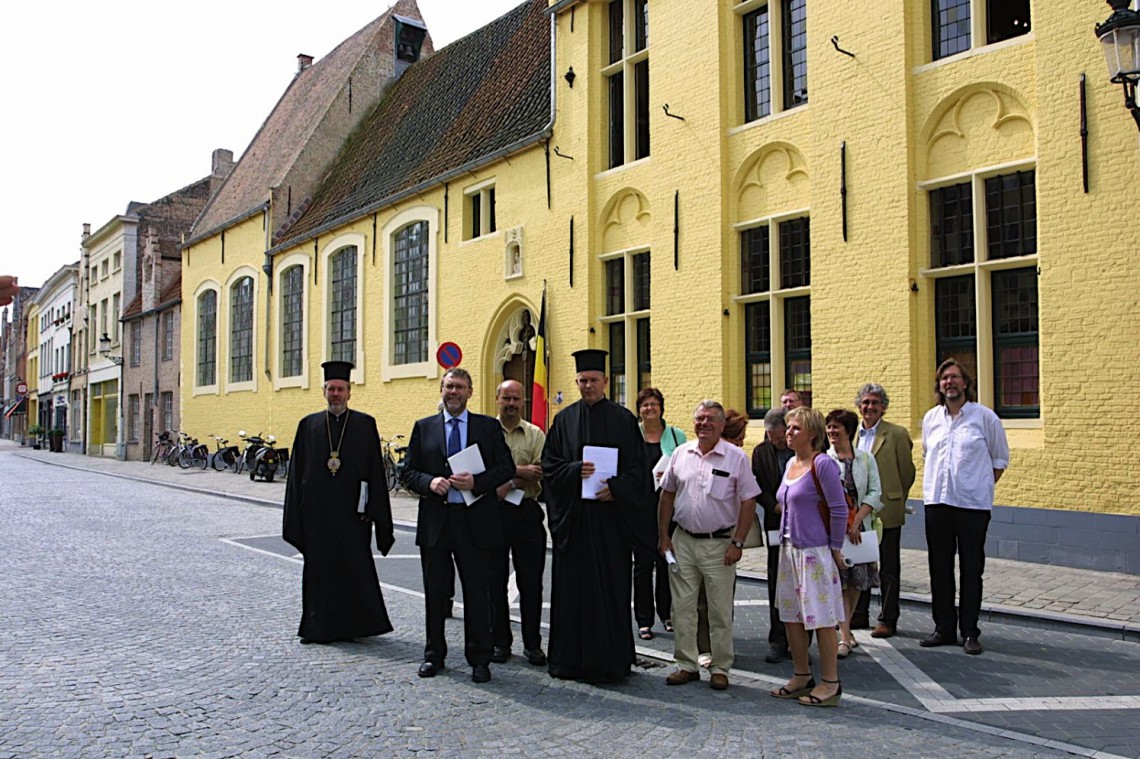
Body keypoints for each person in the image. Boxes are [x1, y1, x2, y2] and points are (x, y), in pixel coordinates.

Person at [541, 348, 649, 683]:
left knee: (611, 591)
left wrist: (616, 488)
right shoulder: (563, 420)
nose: (588, 386)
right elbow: (549, 467)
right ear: (576, 382)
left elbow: (639, 470)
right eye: (582, 381)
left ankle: (611, 663)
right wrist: (574, 470)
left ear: (606, 381)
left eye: (593, 380)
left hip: (609, 524)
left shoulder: (623, 420)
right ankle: (568, 662)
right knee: (572, 594)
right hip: (575, 523)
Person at [402, 368, 515, 683]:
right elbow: (408, 472)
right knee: (435, 593)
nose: (454, 392)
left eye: (460, 387)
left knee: (477, 593)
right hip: (437, 522)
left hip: (473, 521)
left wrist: (476, 482)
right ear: (441, 389)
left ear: (470, 392)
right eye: (449, 386)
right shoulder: (424, 428)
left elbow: (506, 467)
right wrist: (430, 481)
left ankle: (480, 659)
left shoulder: (487, 427)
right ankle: (433, 655)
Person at [282, 360, 395, 645]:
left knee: (353, 570)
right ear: (324, 391)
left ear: (349, 392)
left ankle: (355, 627)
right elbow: (297, 473)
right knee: (318, 572)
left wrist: (375, 513)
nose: (336, 394)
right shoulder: (308, 425)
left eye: (341, 389)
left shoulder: (365, 424)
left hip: (352, 516)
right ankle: (316, 627)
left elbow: (374, 472)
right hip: (317, 517)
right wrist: (295, 514)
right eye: (331, 389)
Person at [658, 401, 760, 690]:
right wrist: (663, 536)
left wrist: (737, 542)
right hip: (683, 542)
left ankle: (720, 667)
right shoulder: (681, 453)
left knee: (719, 609)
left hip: (719, 545)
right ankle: (686, 664)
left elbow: (748, 500)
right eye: (699, 419)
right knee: (683, 608)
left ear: (721, 425)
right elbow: (666, 495)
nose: (704, 424)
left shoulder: (736, 457)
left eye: (710, 420)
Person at [921, 359, 1009, 656]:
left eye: (955, 377)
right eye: (945, 378)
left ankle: (970, 631)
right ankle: (943, 628)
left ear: (966, 383)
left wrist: (978, 484)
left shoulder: (985, 418)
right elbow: (926, 455)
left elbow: (1000, 460)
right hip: (937, 503)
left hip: (972, 506)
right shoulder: (931, 418)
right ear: (939, 384)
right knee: (939, 569)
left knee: (971, 570)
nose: (950, 382)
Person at [769, 407, 848, 707]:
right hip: (788, 549)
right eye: (788, 427)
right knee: (792, 615)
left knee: (821, 617)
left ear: (812, 434)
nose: (789, 432)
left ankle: (830, 683)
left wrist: (835, 547)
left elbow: (838, 507)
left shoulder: (823, 464)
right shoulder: (791, 463)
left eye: (796, 428)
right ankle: (801, 675)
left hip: (813, 551)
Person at [490, 379, 548, 666]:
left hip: (526, 512)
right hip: (494, 513)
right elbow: (484, 473)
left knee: (531, 582)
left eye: (517, 399)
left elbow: (539, 471)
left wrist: (509, 478)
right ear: (496, 399)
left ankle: (533, 644)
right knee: (494, 580)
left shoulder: (535, 433)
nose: (511, 404)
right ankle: (501, 642)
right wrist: (518, 472)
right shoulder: (485, 432)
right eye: (507, 398)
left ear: (523, 402)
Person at [852, 383, 916, 639]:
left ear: (884, 407)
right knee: (861, 563)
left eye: (874, 403)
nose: (869, 407)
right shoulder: (853, 434)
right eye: (865, 403)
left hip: (886, 509)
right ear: (859, 407)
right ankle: (859, 613)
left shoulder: (897, 434)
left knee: (888, 568)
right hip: (859, 513)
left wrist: (894, 497)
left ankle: (888, 619)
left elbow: (907, 473)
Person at [825, 409, 883, 658]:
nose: (831, 432)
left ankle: (845, 631)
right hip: (836, 532)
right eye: (828, 427)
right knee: (839, 584)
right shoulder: (824, 459)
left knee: (857, 583)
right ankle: (845, 635)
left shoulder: (866, 459)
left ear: (848, 430)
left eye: (836, 427)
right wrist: (845, 523)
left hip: (861, 531)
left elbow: (874, 491)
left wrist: (858, 520)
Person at [634, 387, 686, 640]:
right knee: (642, 567)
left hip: (669, 510)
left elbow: (686, 471)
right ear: (639, 409)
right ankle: (644, 620)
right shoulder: (632, 435)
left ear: (661, 408)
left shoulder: (676, 437)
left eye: (654, 404)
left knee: (667, 565)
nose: (649, 408)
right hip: (640, 511)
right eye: (645, 405)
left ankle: (667, 614)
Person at [751, 407, 794, 663]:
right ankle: (778, 640)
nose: (776, 442)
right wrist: (774, 506)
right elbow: (758, 486)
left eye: (779, 438)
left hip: (803, 524)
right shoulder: (761, 451)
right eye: (771, 438)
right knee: (776, 580)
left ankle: (799, 641)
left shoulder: (802, 448)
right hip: (775, 521)